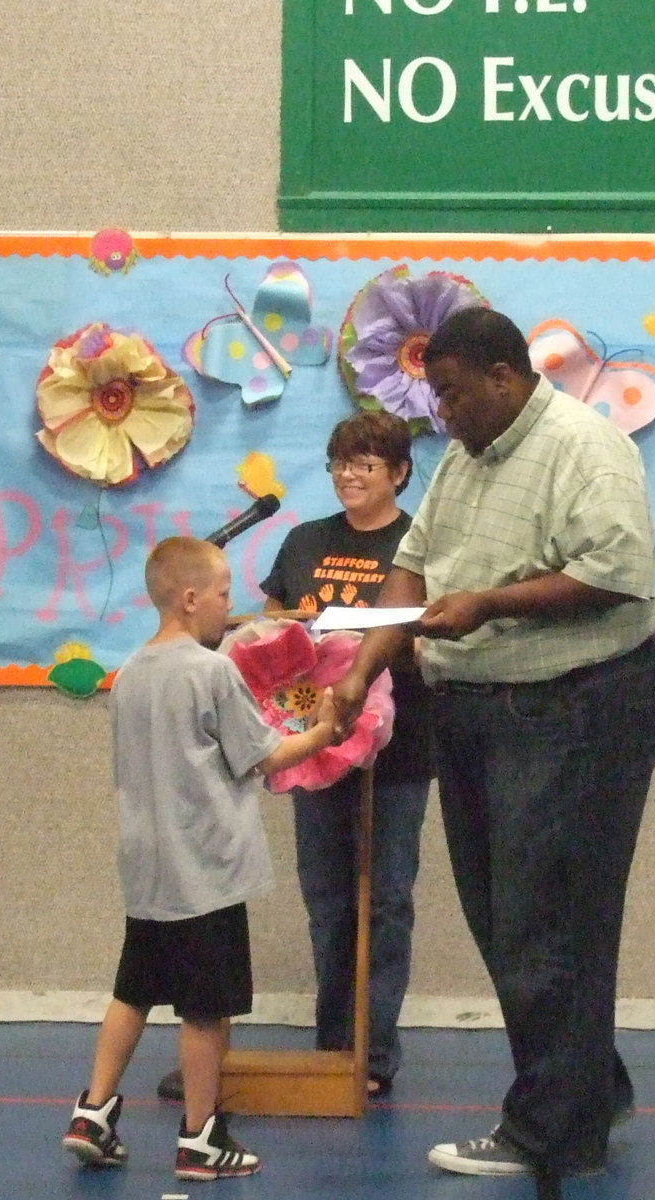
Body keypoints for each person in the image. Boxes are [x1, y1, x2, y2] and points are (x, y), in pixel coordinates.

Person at [332, 307, 655, 1180]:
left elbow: (613, 573)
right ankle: (586, 1085)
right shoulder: (466, 457)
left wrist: (486, 603)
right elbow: (412, 562)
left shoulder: (585, 447)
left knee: (545, 919)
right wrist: (370, 661)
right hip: (481, 705)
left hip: (579, 701)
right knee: (503, 914)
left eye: (448, 392)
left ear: (502, 375)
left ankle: (553, 1132)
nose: (440, 412)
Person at [157, 410, 433, 1105]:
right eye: (341, 463)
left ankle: (374, 1050)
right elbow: (265, 637)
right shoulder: (306, 541)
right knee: (328, 898)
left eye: (366, 464)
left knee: (388, 898)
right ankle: (333, 1044)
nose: (349, 475)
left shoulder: (420, 542)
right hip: (312, 743)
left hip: (398, 749)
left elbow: (429, 633)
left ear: (399, 472)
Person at [62, 536, 337, 1180]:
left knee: (133, 991)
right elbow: (264, 757)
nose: (228, 606)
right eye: (221, 594)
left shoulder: (129, 674)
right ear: (189, 599)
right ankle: (200, 1137)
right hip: (205, 872)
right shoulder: (212, 672)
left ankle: (92, 1112)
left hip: (147, 869)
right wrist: (324, 731)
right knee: (205, 1009)